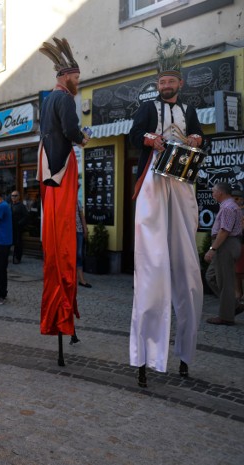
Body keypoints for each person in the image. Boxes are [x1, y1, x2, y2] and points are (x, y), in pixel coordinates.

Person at [128, 34, 204, 386]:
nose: (165, 85)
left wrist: (196, 139)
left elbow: (203, 137)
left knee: (188, 272)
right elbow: (132, 137)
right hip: (154, 185)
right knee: (152, 265)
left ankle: (185, 353)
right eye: (161, 81)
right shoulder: (147, 107)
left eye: (170, 81)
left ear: (179, 83)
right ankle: (146, 356)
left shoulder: (189, 110)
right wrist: (151, 139)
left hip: (182, 182)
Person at [37, 37, 89, 338]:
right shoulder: (65, 99)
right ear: (63, 77)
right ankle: (62, 305)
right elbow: (70, 130)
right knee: (64, 237)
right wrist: (83, 138)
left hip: (48, 167)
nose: (78, 82)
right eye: (75, 78)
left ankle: (60, 307)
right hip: (61, 167)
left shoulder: (47, 100)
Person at [204, 183, 243, 325]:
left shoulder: (228, 207)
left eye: (214, 191)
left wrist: (212, 249)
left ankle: (226, 317)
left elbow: (224, 231)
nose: (212, 194)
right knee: (211, 276)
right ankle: (233, 305)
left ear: (220, 192)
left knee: (224, 281)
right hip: (226, 244)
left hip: (226, 244)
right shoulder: (229, 206)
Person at [76, 193, 91, 287]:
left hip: (79, 231)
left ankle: (81, 279)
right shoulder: (64, 202)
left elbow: (82, 216)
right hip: (68, 233)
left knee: (79, 254)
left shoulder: (77, 202)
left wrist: (85, 229)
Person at [10, 191, 28, 264]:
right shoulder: (10, 205)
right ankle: (12, 257)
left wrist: (19, 223)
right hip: (11, 227)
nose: (13, 197)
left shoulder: (21, 206)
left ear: (19, 197)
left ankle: (17, 257)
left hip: (18, 227)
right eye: (12, 196)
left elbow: (26, 216)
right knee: (12, 242)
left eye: (15, 196)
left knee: (18, 243)